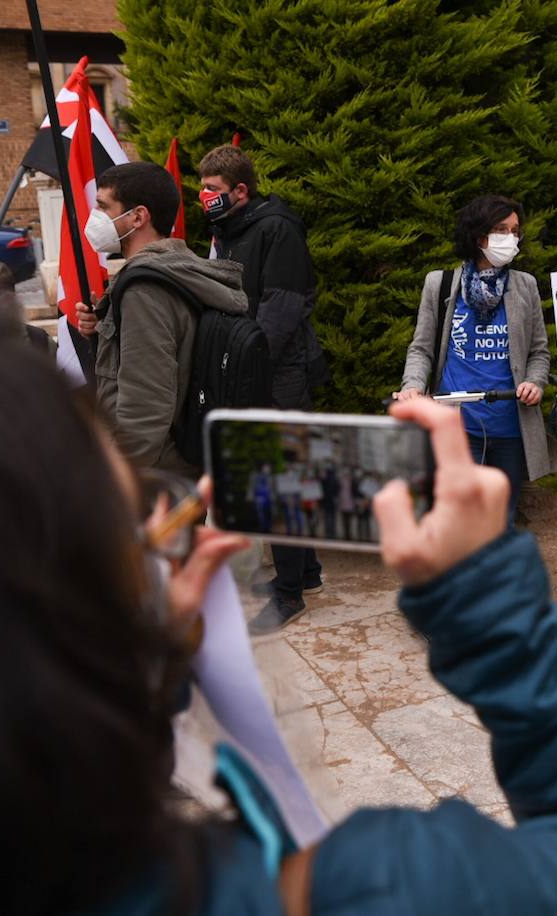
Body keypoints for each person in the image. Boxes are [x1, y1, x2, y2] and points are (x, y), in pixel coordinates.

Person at [0, 310, 557, 915]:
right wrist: (490, 605)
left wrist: (141, 673)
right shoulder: (376, 889)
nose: (164, 532)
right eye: (134, 528)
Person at [198, 144, 326, 633]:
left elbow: (283, 306)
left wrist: (245, 366)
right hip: (257, 371)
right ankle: (306, 572)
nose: (204, 197)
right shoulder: (228, 230)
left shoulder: (276, 228)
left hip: (279, 375)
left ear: (241, 191)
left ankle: (289, 593)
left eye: (212, 190)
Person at [78, 161, 250, 474]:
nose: (95, 218)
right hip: (177, 465)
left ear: (138, 216)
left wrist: (123, 479)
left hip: (155, 475)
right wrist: (101, 330)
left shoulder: (145, 289)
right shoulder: (177, 269)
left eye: (103, 207)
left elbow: (146, 404)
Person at [397, 194, 557, 520]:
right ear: (479, 235)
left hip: (510, 428)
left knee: (501, 520)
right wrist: (412, 385)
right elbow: (421, 348)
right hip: (457, 427)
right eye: (502, 229)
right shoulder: (439, 285)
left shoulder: (525, 285)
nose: (511, 238)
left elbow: (539, 351)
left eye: (515, 231)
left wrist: (534, 381)